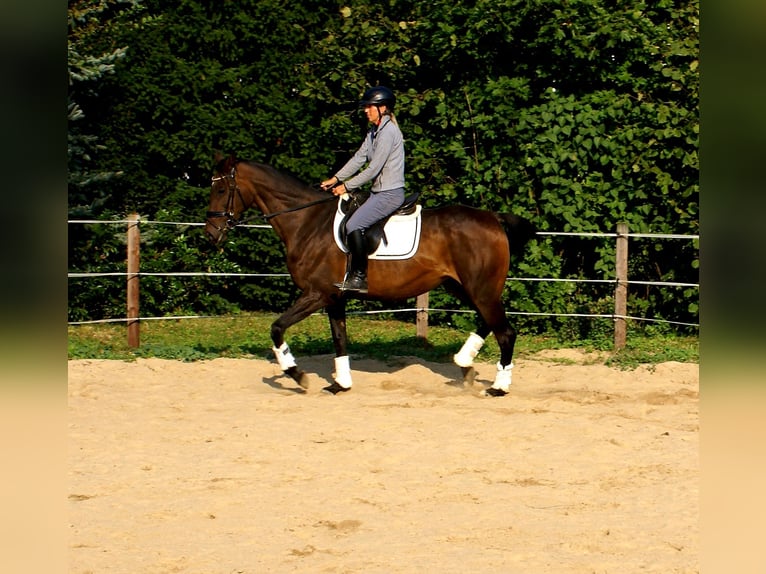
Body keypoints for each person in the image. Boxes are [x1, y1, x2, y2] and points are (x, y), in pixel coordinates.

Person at [321, 85, 405, 293]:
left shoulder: (388, 132)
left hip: (389, 194)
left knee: (354, 225)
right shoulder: (375, 131)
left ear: (382, 108)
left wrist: (347, 186)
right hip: (378, 192)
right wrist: (336, 178)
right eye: (366, 107)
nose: (366, 110)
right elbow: (360, 157)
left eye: (370, 107)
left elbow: (373, 167)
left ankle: (360, 277)